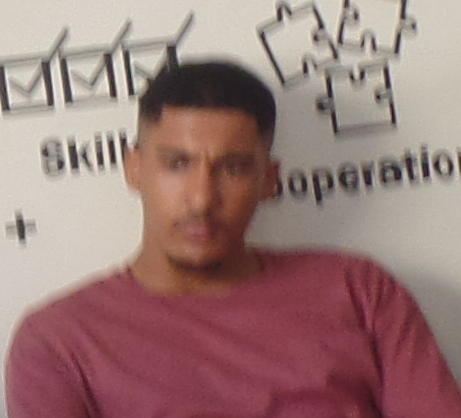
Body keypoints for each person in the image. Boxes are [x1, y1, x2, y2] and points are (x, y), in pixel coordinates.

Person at [5, 61, 461, 418]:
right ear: (134, 168)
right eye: (177, 164)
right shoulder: (57, 342)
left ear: (269, 180)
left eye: (233, 168)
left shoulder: (360, 291)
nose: (202, 199)